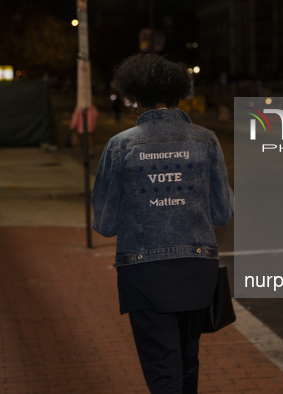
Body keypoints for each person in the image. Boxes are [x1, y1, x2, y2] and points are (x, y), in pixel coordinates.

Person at [91, 54, 234, 393]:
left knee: (162, 369)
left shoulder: (120, 146)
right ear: (180, 96)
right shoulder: (206, 140)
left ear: (134, 99)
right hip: (196, 271)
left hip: (144, 276)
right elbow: (223, 214)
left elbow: (105, 223)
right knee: (187, 363)